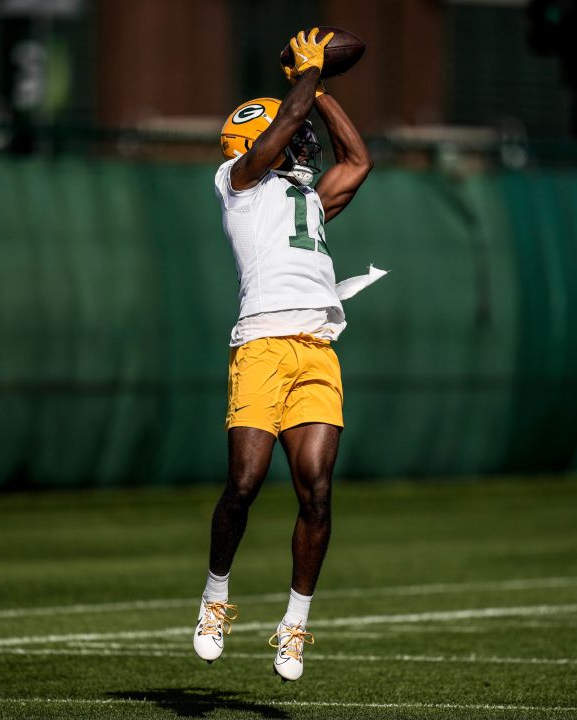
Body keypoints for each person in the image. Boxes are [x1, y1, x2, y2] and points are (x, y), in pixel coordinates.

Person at [192, 28, 373, 682]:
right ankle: (216, 598)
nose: (301, 141)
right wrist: (305, 80)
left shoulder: (306, 199)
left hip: (317, 349)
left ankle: (294, 625)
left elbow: (357, 162)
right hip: (263, 346)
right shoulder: (237, 182)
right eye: (286, 132)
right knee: (243, 485)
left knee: (317, 492)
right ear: (255, 141)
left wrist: (319, 86)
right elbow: (287, 119)